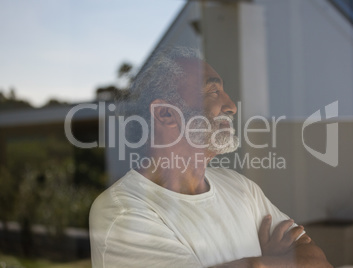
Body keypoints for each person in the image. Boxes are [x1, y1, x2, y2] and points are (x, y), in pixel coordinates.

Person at [89, 47, 332, 268]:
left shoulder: (241, 187)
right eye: (213, 91)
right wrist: (270, 261)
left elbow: (319, 261)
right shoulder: (122, 212)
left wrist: (258, 264)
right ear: (165, 114)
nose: (231, 106)